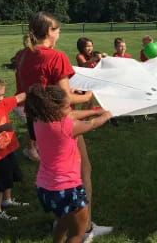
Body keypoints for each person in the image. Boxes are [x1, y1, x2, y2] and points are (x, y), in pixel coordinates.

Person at [17, 12, 112, 239]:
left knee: (53, 169)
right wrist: (90, 93)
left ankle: (61, 220)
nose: (59, 33)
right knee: (82, 170)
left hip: (36, 123)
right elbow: (66, 98)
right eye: (57, 29)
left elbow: (33, 89)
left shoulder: (22, 55)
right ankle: (84, 227)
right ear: (49, 32)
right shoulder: (57, 56)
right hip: (60, 122)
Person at [25, 84, 112, 243]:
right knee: (77, 233)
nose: (69, 110)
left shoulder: (39, 119)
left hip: (45, 187)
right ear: (55, 109)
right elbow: (92, 124)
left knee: (63, 220)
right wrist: (105, 115)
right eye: (66, 107)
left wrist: (94, 111)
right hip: (68, 188)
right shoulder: (67, 126)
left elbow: (71, 114)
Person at [0, 76, 28, 221]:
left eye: (2, 94)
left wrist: (32, 90)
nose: (0, 98)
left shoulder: (2, 104)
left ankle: (7, 201)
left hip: (7, 150)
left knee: (9, 176)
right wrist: (2, 128)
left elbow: (18, 98)